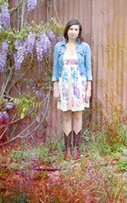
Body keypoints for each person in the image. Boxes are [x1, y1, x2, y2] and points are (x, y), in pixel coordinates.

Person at [52, 20, 92, 159]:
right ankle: (67, 149)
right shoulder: (59, 47)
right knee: (66, 114)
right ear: (67, 30)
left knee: (78, 115)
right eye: (71, 29)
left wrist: (89, 89)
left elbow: (88, 69)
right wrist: (55, 87)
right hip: (64, 84)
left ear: (79, 32)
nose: (73, 32)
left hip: (79, 84)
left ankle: (76, 149)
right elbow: (56, 69)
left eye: (76, 29)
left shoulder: (84, 47)